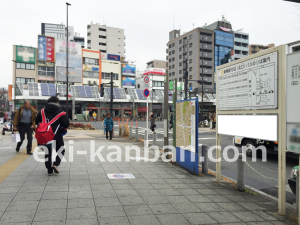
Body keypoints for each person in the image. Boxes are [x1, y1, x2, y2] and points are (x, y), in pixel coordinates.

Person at [35, 96, 69, 176]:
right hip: (56, 136)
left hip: (46, 136)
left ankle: (49, 170)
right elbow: (66, 124)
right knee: (61, 151)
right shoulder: (61, 112)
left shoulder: (42, 112)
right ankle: (55, 164)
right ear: (57, 102)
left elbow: (37, 121)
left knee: (47, 153)